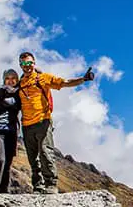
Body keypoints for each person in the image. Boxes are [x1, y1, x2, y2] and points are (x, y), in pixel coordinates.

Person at [17, 51, 94, 194]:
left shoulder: (43, 78)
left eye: (29, 63)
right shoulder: (20, 83)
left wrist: (83, 79)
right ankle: (38, 186)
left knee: (46, 152)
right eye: (23, 64)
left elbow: (64, 83)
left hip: (43, 121)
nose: (26, 66)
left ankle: (51, 184)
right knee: (33, 158)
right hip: (26, 126)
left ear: (34, 63)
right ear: (20, 65)